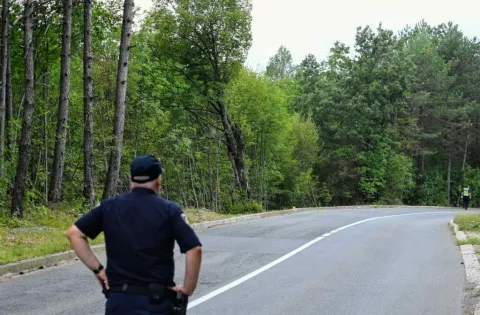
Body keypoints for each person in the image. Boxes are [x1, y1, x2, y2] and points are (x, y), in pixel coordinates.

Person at [67, 155, 202, 314]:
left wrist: (99, 270)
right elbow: (195, 249)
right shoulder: (169, 210)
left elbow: (74, 234)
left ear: (131, 178)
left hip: (118, 302)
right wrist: (187, 289)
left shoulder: (109, 207)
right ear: (158, 180)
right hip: (155, 303)